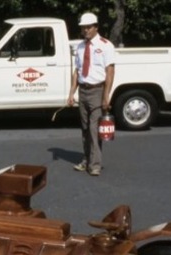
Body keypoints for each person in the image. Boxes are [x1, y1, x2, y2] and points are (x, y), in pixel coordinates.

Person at [67, 12, 116, 177]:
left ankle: (95, 164)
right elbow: (77, 71)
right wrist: (71, 93)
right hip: (83, 90)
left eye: (88, 27)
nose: (85, 30)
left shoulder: (106, 45)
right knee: (85, 128)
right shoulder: (80, 47)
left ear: (96, 27)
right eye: (83, 28)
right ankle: (86, 159)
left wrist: (106, 95)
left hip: (97, 90)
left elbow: (110, 71)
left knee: (94, 129)